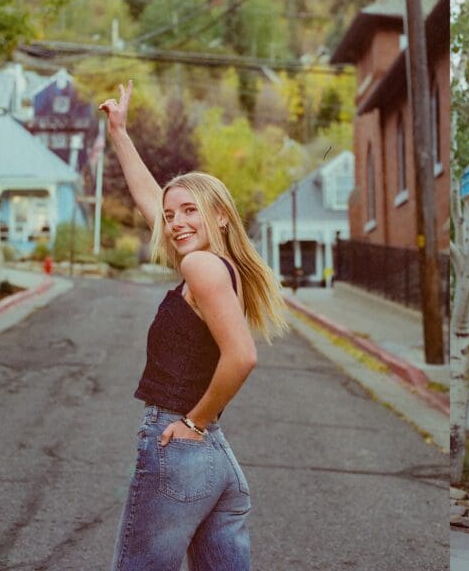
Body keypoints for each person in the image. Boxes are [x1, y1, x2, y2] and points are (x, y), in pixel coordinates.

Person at [100, 80, 288, 571]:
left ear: (221, 216)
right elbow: (149, 198)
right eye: (170, 215)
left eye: (190, 211)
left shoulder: (201, 268)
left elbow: (243, 356)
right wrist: (119, 132)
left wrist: (193, 421)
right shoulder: (223, 271)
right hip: (214, 458)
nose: (176, 222)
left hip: (179, 443)